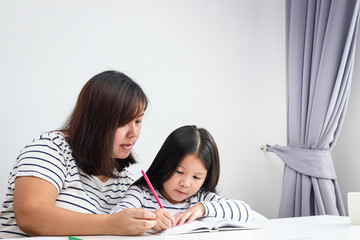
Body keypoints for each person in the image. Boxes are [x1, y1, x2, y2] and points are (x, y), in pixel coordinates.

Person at [0, 70, 158, 238]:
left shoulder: (122, 179)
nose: (133, 133)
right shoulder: (51, 148)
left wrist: (151, 221)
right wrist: (112, 223)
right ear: (95, 121)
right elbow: (30, 216)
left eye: (138, 121)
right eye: (122, 122)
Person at [110, 125, 253, 232]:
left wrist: (202, 208)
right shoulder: (141, 193)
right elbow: (115, 218)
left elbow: (245, 212)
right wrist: (151, 220)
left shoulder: (201, 199)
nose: (185, 184)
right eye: (178, 171)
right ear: (164, 164)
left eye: (197, 177)